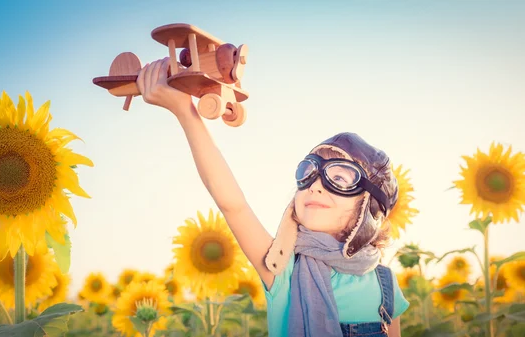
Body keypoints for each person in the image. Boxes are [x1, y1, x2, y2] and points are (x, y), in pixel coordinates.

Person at [135, 57, 410, 337]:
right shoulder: (282, 268)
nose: (316, 185)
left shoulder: (384, 283)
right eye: (309, 173)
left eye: (338, 178)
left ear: (369, 209)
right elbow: (234, 206)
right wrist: (185, 112)